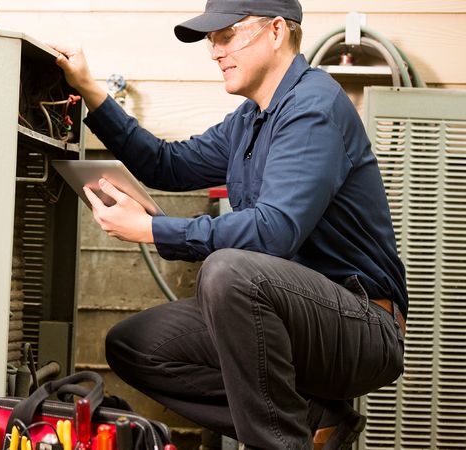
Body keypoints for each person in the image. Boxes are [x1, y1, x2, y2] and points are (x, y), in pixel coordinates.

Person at [53, 0, 407, 448]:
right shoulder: (249, 120)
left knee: (229, 272)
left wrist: (151, 230)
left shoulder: (314, 108)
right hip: (287, 315)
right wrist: (90, 90)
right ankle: (314, 420)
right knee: (136, 344)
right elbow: (167, 165)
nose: (214, 51)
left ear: (276, 32)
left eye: (226, 36)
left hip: (361, 325)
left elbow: (274, 232)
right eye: (210, 40)